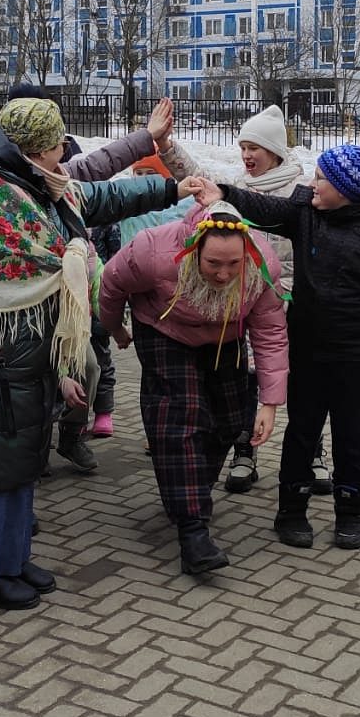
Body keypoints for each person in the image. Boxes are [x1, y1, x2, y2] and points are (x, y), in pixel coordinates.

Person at [0, 97, 190, 610]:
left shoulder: (41, 186)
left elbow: (104, 196)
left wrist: (174, 188)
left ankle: (11, 558)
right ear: (35, 149)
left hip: (25, 352)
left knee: (18, 466)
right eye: (57, 144)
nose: (64, 152)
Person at [192, 142, 360, 550]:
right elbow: (264, 207)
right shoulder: (306, 215)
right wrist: (224, 193)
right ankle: (292, 511)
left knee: (352, 437)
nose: (312, 184)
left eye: (320, 179)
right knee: (302, 432)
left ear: (345, 189)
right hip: (309, 350)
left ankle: (350, 512)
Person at [99, 200, 288, 576]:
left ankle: (189, 488)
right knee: (181, 419)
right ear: (193, 249)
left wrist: (270, 402)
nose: (223, 274)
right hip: (163, 330)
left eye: (233, 264)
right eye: (213, 263)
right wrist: (115, 328)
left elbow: (270, 331)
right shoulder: (154, 251)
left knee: (229, 421)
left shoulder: (262, 266)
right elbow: (111, 284)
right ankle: (193, 531)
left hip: (224, 335)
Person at [159, 104, 316, 493]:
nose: (246, 155)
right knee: (246, 380)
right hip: (251, 303)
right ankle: (245, 451)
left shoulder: (302, 194)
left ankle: (313, 453)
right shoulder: (239, 191)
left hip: (294, 303)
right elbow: (200, 179)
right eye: (243, 147)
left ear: (273, 150)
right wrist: (166, 147)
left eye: (254, 148)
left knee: (301, 382)